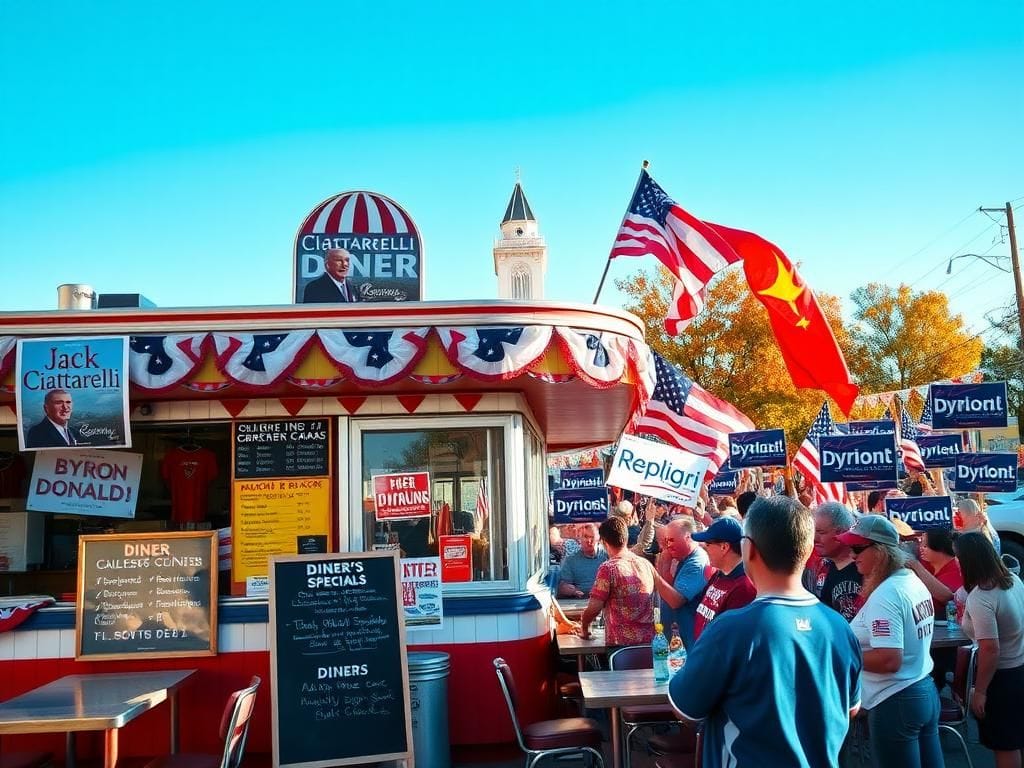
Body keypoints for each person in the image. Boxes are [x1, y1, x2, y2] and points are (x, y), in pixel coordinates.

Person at [668, 496, 862, 768]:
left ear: (749, 549)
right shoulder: (839, 627)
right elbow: (851, 707)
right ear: (808, 550)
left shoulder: (731, 629)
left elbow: (685, 708)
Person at [838, 515, 943, 768]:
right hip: (919, 688)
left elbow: (888, 660)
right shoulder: (907, 580)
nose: (852, 555)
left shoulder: (888, 592)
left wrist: (840, 655)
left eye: (858, 548)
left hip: (896, 698)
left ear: (882, 552)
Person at [956, 532, 1024, 768]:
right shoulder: (1013, 580)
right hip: (1019, 669)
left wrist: (980, 690)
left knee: (1005, 744)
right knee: (1016, 739)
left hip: (1001, 678)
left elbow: (990, 648)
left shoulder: (982, 597)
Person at [580, 517, 656, 646]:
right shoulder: (645, 564)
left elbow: (594, 608)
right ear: (626, 538)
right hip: (649, 642)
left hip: (621, 645)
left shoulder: (608, 568)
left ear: (604, 542)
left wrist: (584, 628)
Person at [690, 517, 755, 641]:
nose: (704, 548)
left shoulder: (744, 587)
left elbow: (732, 639)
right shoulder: (719, 575)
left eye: (708, 544)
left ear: (724, 547)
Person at [653, 517, 709, 649]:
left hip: (687, 643)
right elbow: (667, 592)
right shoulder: (682, 558)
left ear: (687, 537)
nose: (667, 545)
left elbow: (675, 601)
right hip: (675, 640)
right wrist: (664, 565)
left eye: (671, 540)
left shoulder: (696, 562)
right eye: (666, 541)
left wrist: (653, 574)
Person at [812, 501, 863, 621]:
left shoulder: (864, 567)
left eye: (821, 532)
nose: (814, 538)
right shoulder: (823, 567)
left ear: (842, 532)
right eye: (814, 532)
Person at [557, 523, 608, 598]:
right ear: (579, 538)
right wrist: (570, 590)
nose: (589, 541)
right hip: (580, 602)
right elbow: (562, 587)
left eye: (592, 537)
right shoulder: (570, 561)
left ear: (599, 539)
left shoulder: (607, 557)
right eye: (585, 537)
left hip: (604, 601)